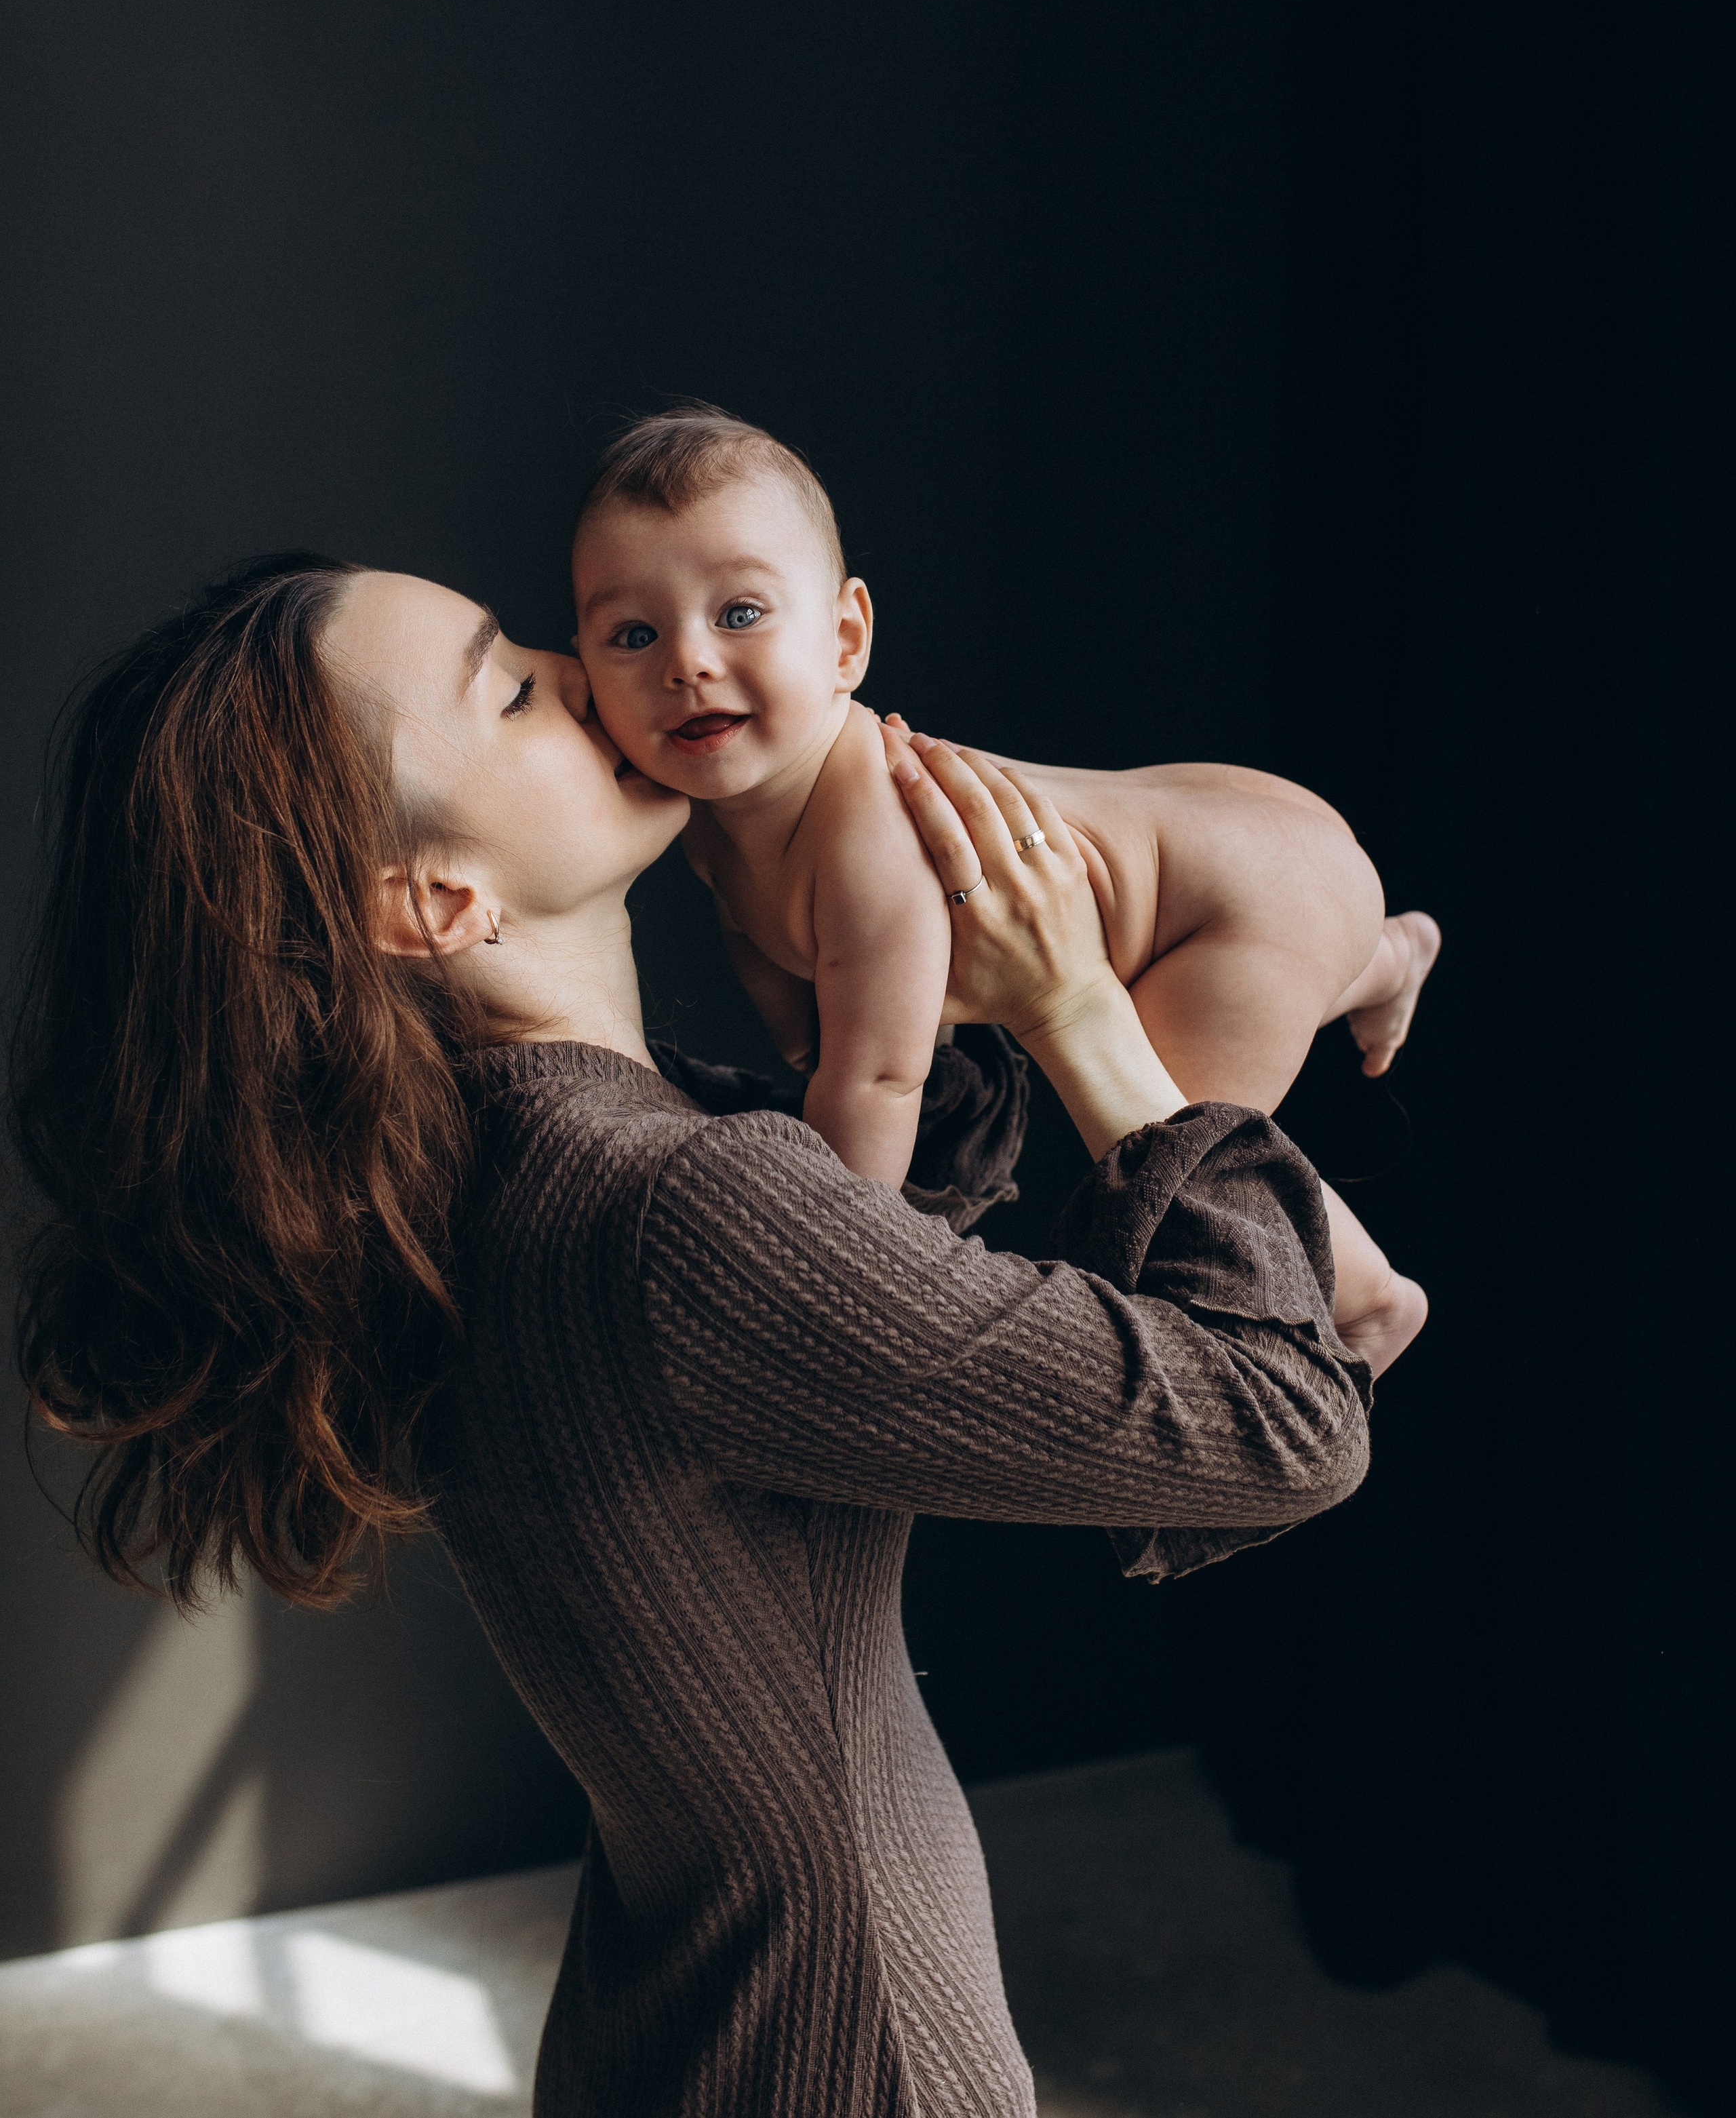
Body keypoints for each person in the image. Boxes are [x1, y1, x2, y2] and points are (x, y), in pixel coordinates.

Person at [12, 552, 1372, 2118]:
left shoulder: (476, 1169)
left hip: (683, 2011)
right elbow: (1281, 1429)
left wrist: (906, 985)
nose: (592, 672)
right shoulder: (666, 1209)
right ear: (438, 900)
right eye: (515, 687)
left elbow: (849, 1292)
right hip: (854, 2047)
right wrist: (1080, 1020)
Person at [572, 404, 1434, 1373]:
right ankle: (1384, 955)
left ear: (847, 641)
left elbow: (879, 1079)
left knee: (1182, 1147)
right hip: (1231, 827)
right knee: (1193, 1093)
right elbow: (765, 950)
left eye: (740, 614)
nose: (687, 661)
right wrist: (799, 1035)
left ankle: (1369, 1297)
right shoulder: (706, 814)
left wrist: (813, 1258)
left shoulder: (867, 838)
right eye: (634, 633)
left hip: (1243, 903)